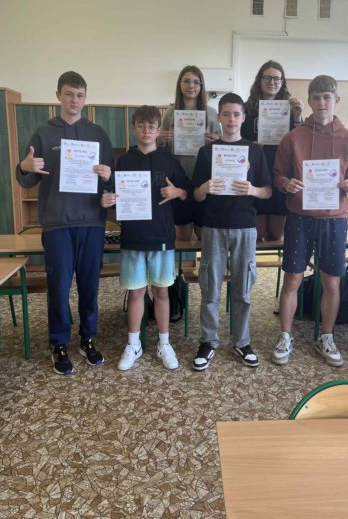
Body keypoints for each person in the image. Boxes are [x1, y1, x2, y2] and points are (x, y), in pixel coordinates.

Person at [16, 71, 114, 375]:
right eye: (69, 94)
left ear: (86, 98)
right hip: (57, 223)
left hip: (92, 223)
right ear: (58, 95)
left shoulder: (98, 134)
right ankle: (59, 343)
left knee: (89, 285)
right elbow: (27, 179)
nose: (74, 100)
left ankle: (87, 338)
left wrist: (108, 178)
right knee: (58, 288)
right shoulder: (43, 134)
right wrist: (24, 166)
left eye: (80, 95)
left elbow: (110, 182)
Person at [272, 75, 348, 367]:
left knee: (332, 283)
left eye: (327, 97)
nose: (322, 102)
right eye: (316, 97)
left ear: (336, 100)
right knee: (292, 279)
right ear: (309, 101)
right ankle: (285, 336)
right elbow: (278, 175)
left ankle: (326, 336)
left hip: (334, 220)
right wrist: (286, 184)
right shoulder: (293, 137)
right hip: (299, 217)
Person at [102, 106, 190, 371]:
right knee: (136, 292)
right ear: (134, 128)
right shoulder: (123, 162)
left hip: (162, 236)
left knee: (161, 291)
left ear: (158, 130)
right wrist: (108, 201)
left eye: (151, 126)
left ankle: (164, 343)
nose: (146, 130)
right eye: (141, 125)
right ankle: (134, 344)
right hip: (133, 237)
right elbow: (114, 199)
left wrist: (178, 193)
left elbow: (186, 193)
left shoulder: (169, 161)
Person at [191, 92, 271, 371]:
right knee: (210, 288)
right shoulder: (207, 152)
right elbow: (196, 195)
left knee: (243, 289)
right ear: (220, 118)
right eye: (226, 114)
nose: (231, 119)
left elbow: (268, 191)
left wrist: (253, 190)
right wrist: (204, 188)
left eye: (236, 114)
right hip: (213, 226)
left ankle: (242, 341)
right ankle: (208, 341)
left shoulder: (255, 151)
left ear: (243, 118)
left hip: (245, 227)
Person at [242, 60, 304, 242]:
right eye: (267, 78)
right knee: (258, 234)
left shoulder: (290, 109)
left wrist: (298, 116)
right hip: (256, 175)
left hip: (281, 174)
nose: (272, 82)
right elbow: (236, 140)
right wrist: (250, 146)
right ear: (259, 80)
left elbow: (300, 141)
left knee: (277, 235)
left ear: (282, 82)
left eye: (277, 79)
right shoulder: (246, 109)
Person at [159, 65, 221, 240]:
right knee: (182, 234)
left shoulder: (212, 114)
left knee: (204, 234)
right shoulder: (170, 113)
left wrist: (217, 142)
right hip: (178, 179)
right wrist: (160, 140)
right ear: (179, 84)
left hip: (203, 179)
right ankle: (183, 260)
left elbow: (221, 148)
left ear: (201, 86)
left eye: (196, 82)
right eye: (186, 81)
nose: (191, 85)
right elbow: (161, 148)